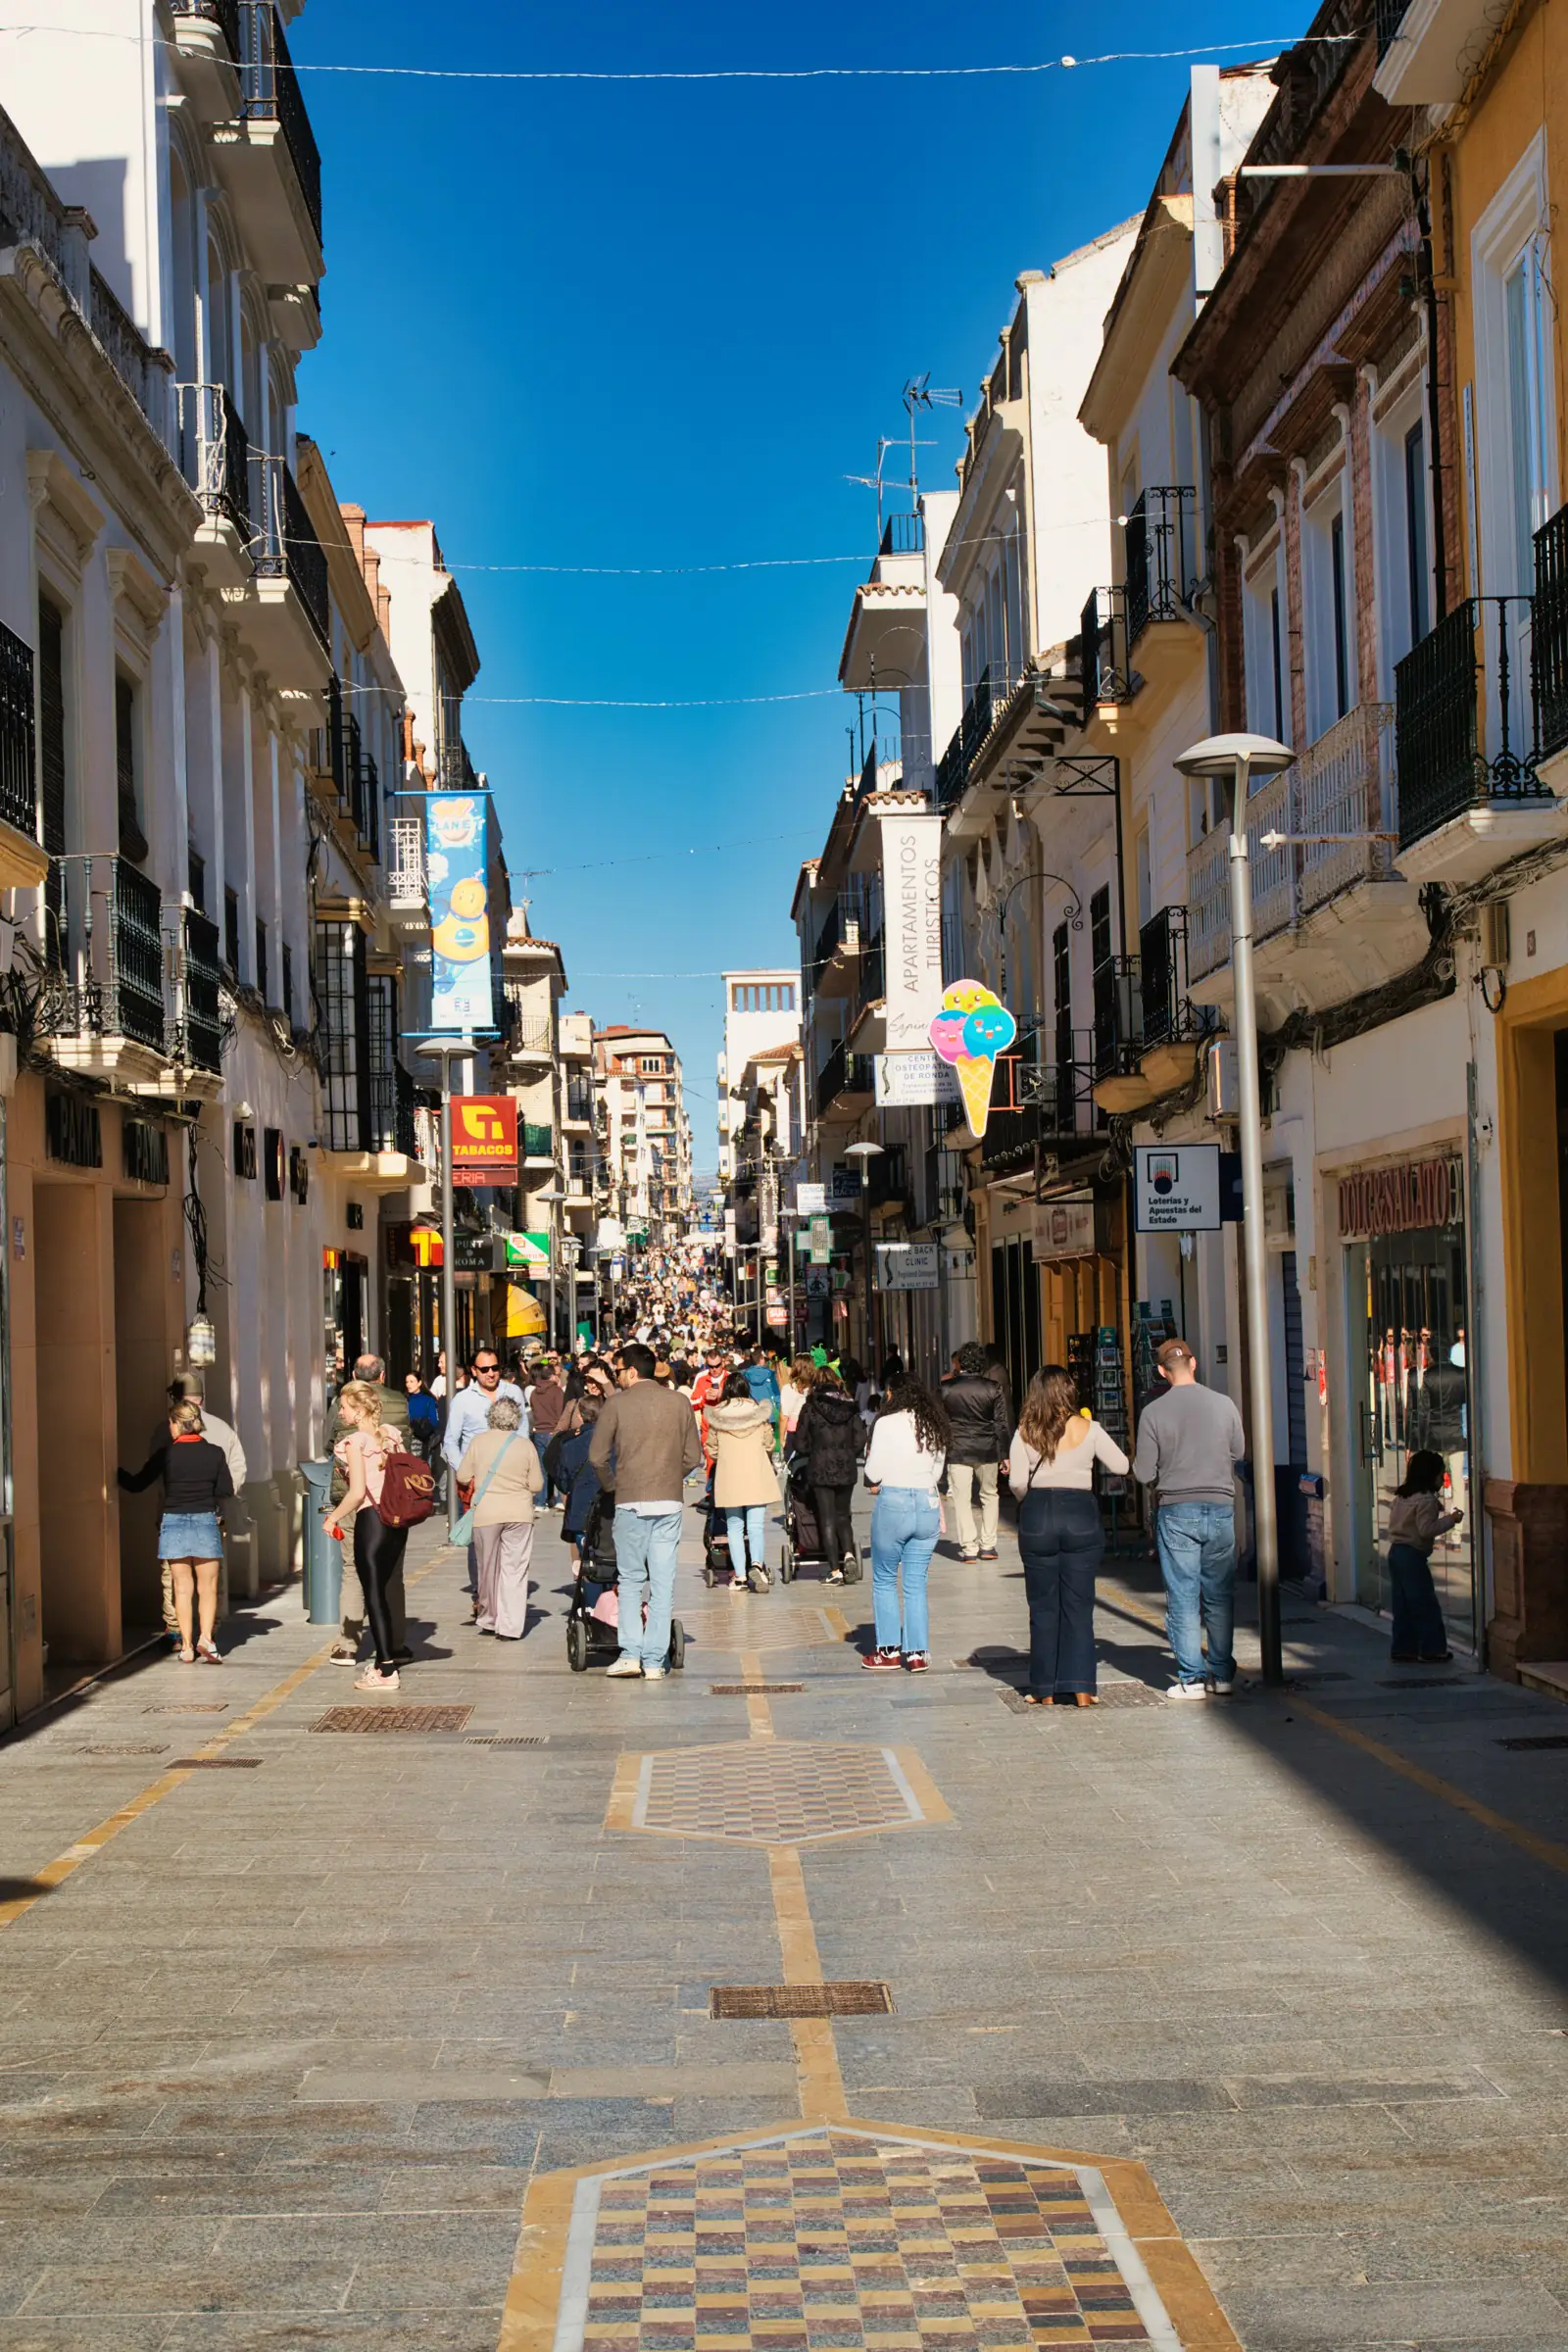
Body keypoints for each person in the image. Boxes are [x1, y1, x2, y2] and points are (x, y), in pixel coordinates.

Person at [1132, 1338, 1247, 1699]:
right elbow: (1239, 1451)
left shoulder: (1153, 1413)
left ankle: (1192, 1680)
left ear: (1162, 1372)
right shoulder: (1224, 1404)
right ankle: (1223, 1675)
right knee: (1219, 1595)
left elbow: (1143, 1472)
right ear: (1194, 1363)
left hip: (1177, 1510)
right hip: (1220, 1507)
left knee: (1182, 1597)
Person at [1008, 1366, 1130, 1705]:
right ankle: (1081, 1687)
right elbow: (1121, 1465)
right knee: (1078, 1605)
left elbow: (1018, 1482)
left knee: (1043, 1605)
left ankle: (1044, 1688)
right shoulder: (1090, 1428)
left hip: (1038, 1516)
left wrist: (1029, 1501)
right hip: (1080, 1515)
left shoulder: (1024, 1432)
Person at [588, 1342, 702, 1679]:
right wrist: (669, 1477)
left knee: (631, 1578)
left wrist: (613, 1485)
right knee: (663, 1582)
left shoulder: (617, 1404)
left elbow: (596, 1457)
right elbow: (692, 1457)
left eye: (619, 1371)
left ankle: (630, 1653)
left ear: (632, 1371)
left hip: (630, 1501)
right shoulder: (679, 1402)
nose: (618, 1377)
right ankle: (654, 1661)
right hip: (668, 1502)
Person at [120, 1398, 233, 1664]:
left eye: (171, 1422)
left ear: (176, 1424)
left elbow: (138, 1483)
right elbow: (226, 1489)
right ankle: (207, 1639)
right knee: (208, 1587)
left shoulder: (166, 1454)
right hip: (206, 1519)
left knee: (181, 1587)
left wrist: (115, 1474)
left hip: (174, 1522)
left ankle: (185, 1646)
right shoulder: (215, 1453)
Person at [324, 1354, 413, 1666]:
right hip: (395, 1504)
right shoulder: (399, 1405)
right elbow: (408, 1449)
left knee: (354, 1571)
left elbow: (330, 1450)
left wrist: (332, 1517)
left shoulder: (348, 1418)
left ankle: (350, 1646)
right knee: (392, 1576)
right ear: (383, 1374)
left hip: (361, 1505)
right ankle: (395, 1642)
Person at [148, 1374, 247, 1647]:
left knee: (175, 1581)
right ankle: (209, 1631)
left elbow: (154, 1476)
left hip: (173, 1515)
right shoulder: (223, 1431)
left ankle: (180, 1636)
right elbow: (236, 1474)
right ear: (201, 1399)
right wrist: (213, 1498)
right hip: (211, 1515)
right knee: (211, 1581)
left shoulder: (164, 1430)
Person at [861, 1375, 950, 1673]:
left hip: (894, 1503)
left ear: (890, 1393)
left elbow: (873, 1471)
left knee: (885, 1578)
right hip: (927, 1504)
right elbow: (937, 1471)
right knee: (916, 1582)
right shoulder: (933, 1422)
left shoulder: (885, 1424)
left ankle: (887, 1651)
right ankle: (917, 1653)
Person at [457, 1395, 544, 1640]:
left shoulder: (478, 1441)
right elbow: (537, 1485)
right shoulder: (525, 1445)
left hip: (486, 1513)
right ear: (516, 1419)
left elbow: (463, 1476)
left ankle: (488, 1619)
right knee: (514, 1570)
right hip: (519, 1514)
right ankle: (510, 1627)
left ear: (491, 1417)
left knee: (487, 1569)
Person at [707, 1371, 781, 1593]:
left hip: (729, 1477)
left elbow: (712, 1449)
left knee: (734, 1527)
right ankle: (757, 1565)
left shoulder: (717, 1415)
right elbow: (769, 1443)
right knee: (756, 1526)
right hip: (756, 1475)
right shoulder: (759, 1413)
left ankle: (739, 1576)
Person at [1386, 1448, 1460, 1663]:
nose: (1442, 1479)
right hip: (1412, 1555)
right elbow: (1426, 1529)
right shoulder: (1426, 1500)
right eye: (1440, 1475)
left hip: (1396, 1552)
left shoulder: (1402, 1496)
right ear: (1431, 1476)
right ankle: (1433, 1649)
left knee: (1402, 1605)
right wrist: (1451, 1520)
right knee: (1424, 1603)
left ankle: (1403, 1648)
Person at [943, 1341, 1013, 1562]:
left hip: (958, 1450)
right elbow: (1001, 1424)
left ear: (960, 1362)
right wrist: (1005, 1454)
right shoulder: (993, 1388)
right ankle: (988, 1545)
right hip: (987, 1449)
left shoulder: (947, 1389)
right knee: (990, 1495)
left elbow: (941, 1420)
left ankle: (969, 1548)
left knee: (962, 1499)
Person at [791, 1365, 862, 1582]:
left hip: (820, 1468)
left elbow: (800, 1443)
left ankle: (834, 1571)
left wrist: (813, 1449)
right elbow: (861, 1437)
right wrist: (850, 1453)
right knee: (843, 1515)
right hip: (846, 1467)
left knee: (827, 1518)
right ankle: (848, 1554)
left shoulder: (810, 1407)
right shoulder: (850, 1407)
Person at [527, 1356, 565, 1506]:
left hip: (538, 1433)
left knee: (541, 1468)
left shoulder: (534, 1393)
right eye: (557, 1375)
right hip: (553, 1432)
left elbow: (534, 1409)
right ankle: (558, 1499)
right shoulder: (557, 1392)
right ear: (551, 1376)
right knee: (557, 1467)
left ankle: (540, 1502)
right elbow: (561, 1412)